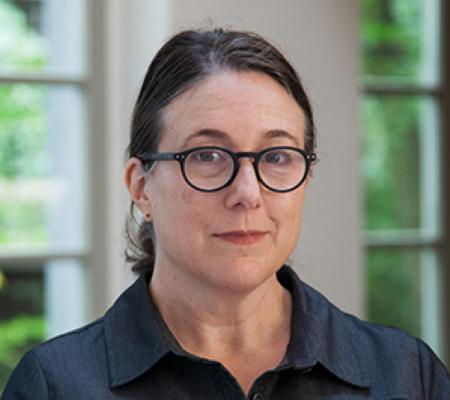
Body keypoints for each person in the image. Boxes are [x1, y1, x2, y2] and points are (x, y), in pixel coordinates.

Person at [2, 28, 449, 400]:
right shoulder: (54, 386)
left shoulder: (408, 375)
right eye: (208, 155)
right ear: (141, 187)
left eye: (277, 156)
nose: (248, 194)